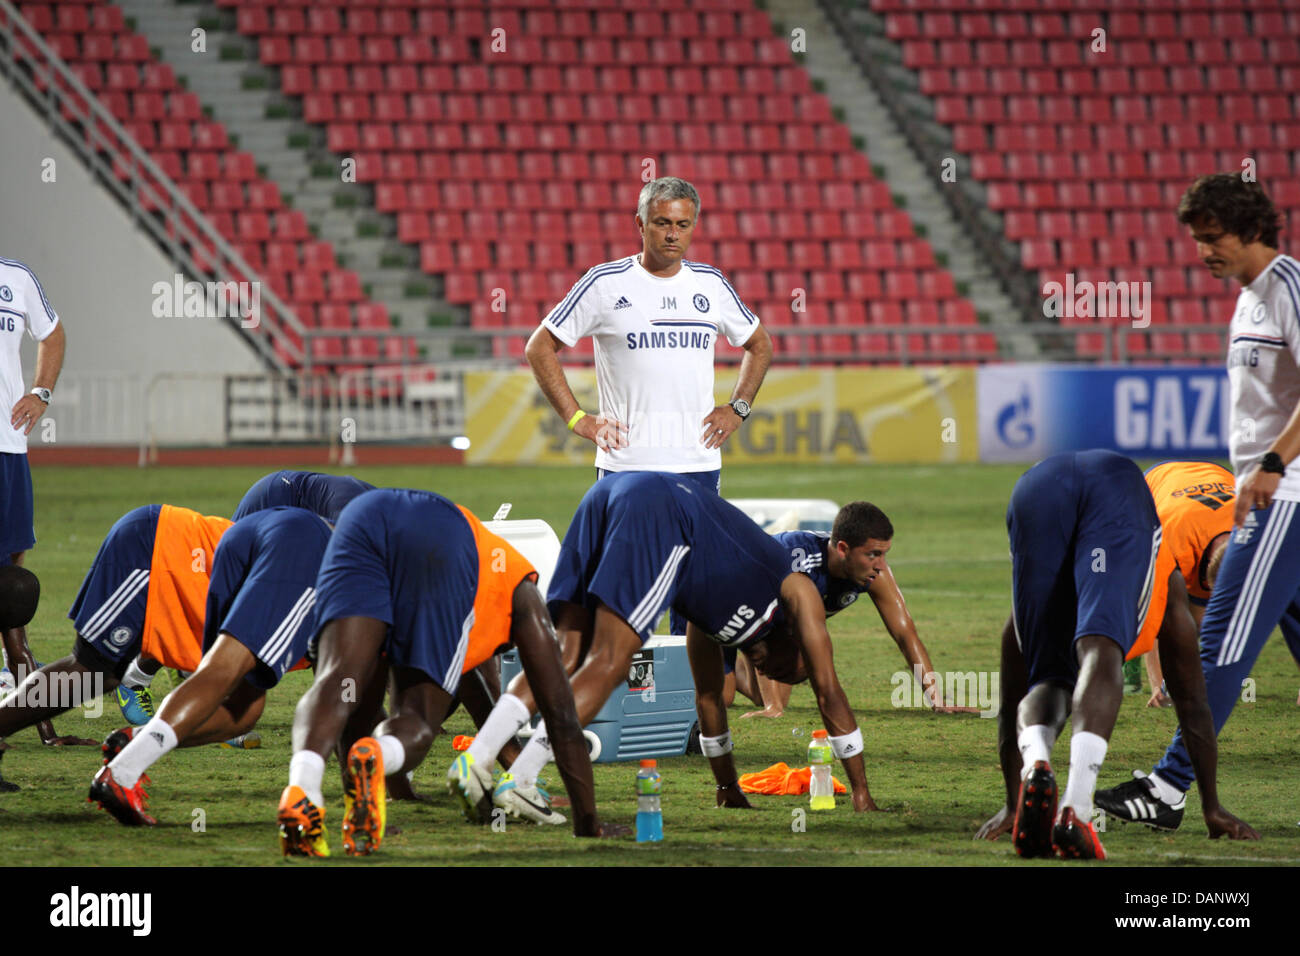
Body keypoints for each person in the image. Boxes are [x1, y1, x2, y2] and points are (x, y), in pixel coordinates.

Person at [448, 472, 877, 824]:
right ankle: (522, 776)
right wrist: (861, 792)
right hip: (663, 510)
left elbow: (709, 701)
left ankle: (478, 758)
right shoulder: (796, 587)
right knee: (612, 662)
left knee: (564, 653)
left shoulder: (713, 625)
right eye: (788, 668)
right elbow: (829, 692)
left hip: (610, 494)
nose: (772, 674)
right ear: (795, 638)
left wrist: (727, 787)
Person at [1094, 175, 1300, 830]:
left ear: (1250, 230)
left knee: (1221, 641)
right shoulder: (1247, 300)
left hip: (1286, 495)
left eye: (1212, 239)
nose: (1203, 252)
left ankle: (1168, 786)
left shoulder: (1288, 287)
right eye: (1197, 240)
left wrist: (1272, 464)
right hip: (1264, 489)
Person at [277, 488, 614, 857]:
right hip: (443, 537)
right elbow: (562, 715)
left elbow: (367, 707)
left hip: (363, 516)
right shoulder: (524, 597)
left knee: (342, 683)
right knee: (417, 719)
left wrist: (394, 795)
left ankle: (304, 788)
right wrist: (588, 823)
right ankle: (377, 755)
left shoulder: (492, 582)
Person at [974, 450, 1256, 860]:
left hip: (1039, 482)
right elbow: (1194, 701)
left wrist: (1012, 801)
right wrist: (1211, 807)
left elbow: (1013, 677)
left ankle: (1036, 761)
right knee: (1102, 645)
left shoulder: (1227, 532)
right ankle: (1077, 807)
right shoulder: (1171, 568)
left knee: (1047, 676)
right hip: (1118, 488)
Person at [527, 177, 772, 636]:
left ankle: (690, 695)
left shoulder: (711, 284)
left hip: (697, 463)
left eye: (683, 224)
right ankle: (609, 681)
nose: (673, 234)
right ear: (639, 224)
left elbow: (760, 345)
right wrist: (578, 419)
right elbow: (539, 347)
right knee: (619, 585)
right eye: (662, 223)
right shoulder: (605, 283)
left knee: (698, 585)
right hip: (627, 465)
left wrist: (737, 408)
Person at [90, 506, 331, 825]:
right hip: (302, 546)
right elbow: (345, 691)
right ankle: (122, 774)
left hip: (240, 536)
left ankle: (136, 741)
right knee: (222, 670)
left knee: (244, 708)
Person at [114, 470, 374, 727]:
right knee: (226, 605)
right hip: (274, 503)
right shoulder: (355, 529)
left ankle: (198, 679)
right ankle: (138, 675)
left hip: (293, 519)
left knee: (285, 616)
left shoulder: (379, 533)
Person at [0, 504, 230, 785]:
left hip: (179, 555)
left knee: (104, 675)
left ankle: (136, 690)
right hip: (154, 546)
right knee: (92, 669)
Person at [732, 502, 979, 718]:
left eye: (884, 554)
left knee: (758, 685)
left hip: (769, 629)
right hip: (733, 614)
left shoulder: (872, 571)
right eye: (873, 554)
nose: (881, 565)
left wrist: (937, 700)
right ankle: (714, 655)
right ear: (842, 549)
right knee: (733, 694)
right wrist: (773, 706)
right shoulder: (795, 561)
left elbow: (905, 633)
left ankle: (733, 665)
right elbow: (763, 626)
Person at [0, 257, 70, 748]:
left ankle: (13, 682)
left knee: (12, 574)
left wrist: (40, 391)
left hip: (9, 444)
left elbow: (54, 334)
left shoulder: (16, 278)